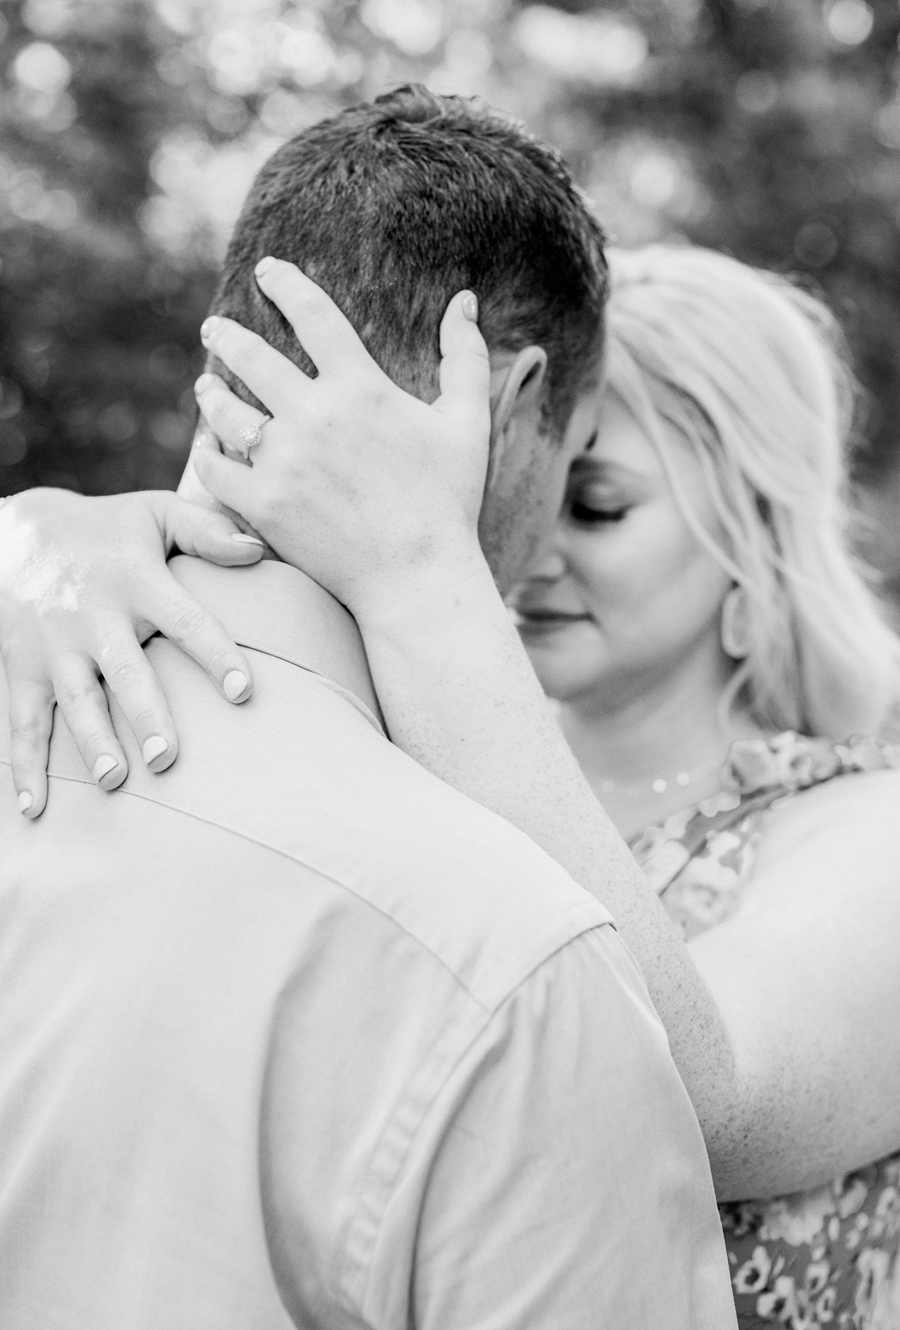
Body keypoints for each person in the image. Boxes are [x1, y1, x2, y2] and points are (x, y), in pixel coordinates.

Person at [6, 237, 900, 1327]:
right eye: (531, 481)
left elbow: (692, 1102)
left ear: (753, 529)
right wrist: (51, 535)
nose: (532, 549)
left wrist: (418, 566)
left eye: (602, 505)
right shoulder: (404, 738)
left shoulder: (867, 832)